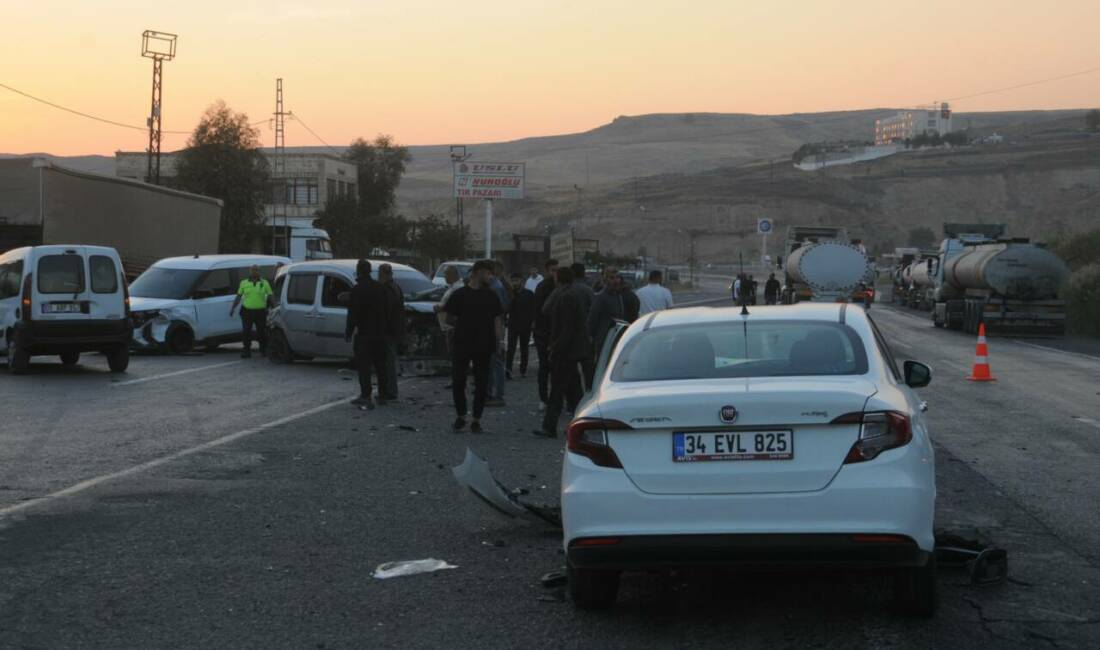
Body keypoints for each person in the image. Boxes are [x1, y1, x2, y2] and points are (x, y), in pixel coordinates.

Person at [444, 260, 504, 434]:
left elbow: (497, 320)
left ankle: (476, 419)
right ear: (477, 272)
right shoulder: (460, 294)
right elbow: (449, 318)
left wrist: (499, 342)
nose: (490, 276)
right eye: (488, 273)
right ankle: (461, 416)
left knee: (482, 383)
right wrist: (464, 323)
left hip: (484, 345)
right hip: (462, 344)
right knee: (458, 380)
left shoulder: (491, 295)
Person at [535, 266, 592, 438]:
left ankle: (550, 426)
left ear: (558, 279)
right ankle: (583, 427)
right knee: (574, 392)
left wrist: (556, 347)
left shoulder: (566, 296)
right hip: (572, 350)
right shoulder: (570, 294)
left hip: (566, 352)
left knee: (558, 390)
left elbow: (567, 327)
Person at [345, 260, 390, 409]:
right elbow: (387, 310)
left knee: (364, 366)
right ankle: (383, 395)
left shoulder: (357, 290)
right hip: (380, 333)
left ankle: (366, 395)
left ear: (359, 271)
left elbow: (352, 314)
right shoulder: (380, 288)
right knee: (380, 366)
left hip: (364, 334)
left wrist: (349, 331)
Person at [587, 266, 640, 359]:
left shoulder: (619, 295)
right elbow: (592, 319)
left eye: (617, 277)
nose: (615, 281)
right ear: (605, 280)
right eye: (612, 278)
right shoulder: (600, 297)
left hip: (618, 338)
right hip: (605, 341)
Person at [229, 265, 273, 359]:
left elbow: (270, 295)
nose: (254, 272)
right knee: (246, 332)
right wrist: (233, 308)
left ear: (259, 271)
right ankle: (246, 351)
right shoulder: (244, 283)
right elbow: (238, 296)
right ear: (249, 271)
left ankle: (263, 350)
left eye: (256, 270)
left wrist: (273, 307)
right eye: (252, 270)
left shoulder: (264, 283)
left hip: (260, 312)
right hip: (246, 311)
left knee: (261, 331)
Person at [532, 258, 559, 407]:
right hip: (543, 333)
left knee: (557, 368)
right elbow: (538, 311)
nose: (555, 273)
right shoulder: (543, 287)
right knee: (544, 367)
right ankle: (543, 398)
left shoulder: (561, 286)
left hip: (556, 334)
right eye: (553, 270)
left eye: (557, 270)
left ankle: (556, 398)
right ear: (547, 271)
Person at [378, 264, 405, 401]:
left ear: (383, 274)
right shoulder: (396, 287)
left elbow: (386, 311)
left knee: (387, 362)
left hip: (388, 330)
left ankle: (390, 392)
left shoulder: (387, 289)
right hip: (394, 329)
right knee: (390, 361)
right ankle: (391, 390)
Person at [486, 261, 511, 406]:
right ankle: (492, 393)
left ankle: (498, 395)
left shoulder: (495, 287)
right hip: (496, 327)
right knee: (493, 362)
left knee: (496, 362)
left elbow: (499, 311)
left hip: (495, 328)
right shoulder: (497, 286)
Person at [506, 272, 535, 378]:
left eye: (517, 280)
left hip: (525, 324)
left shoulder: (529, 294)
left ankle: (523, 369)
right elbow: (507, 308)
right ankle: (508, 369)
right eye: (513, 280)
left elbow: (533, 309)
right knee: (511, 348)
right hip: (513, 324)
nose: (515, 283)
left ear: (521, 281)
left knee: (524, 348)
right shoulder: (510, 293)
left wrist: (533, 322)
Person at [433, 265, 464, 356]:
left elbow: (454, 305)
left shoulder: (458, 288)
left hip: (451, 326)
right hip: (447, 326)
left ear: (452, 275)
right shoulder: (452, 287)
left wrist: (440, 307)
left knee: (452, 353)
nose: (445, 277)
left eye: (446, 274)